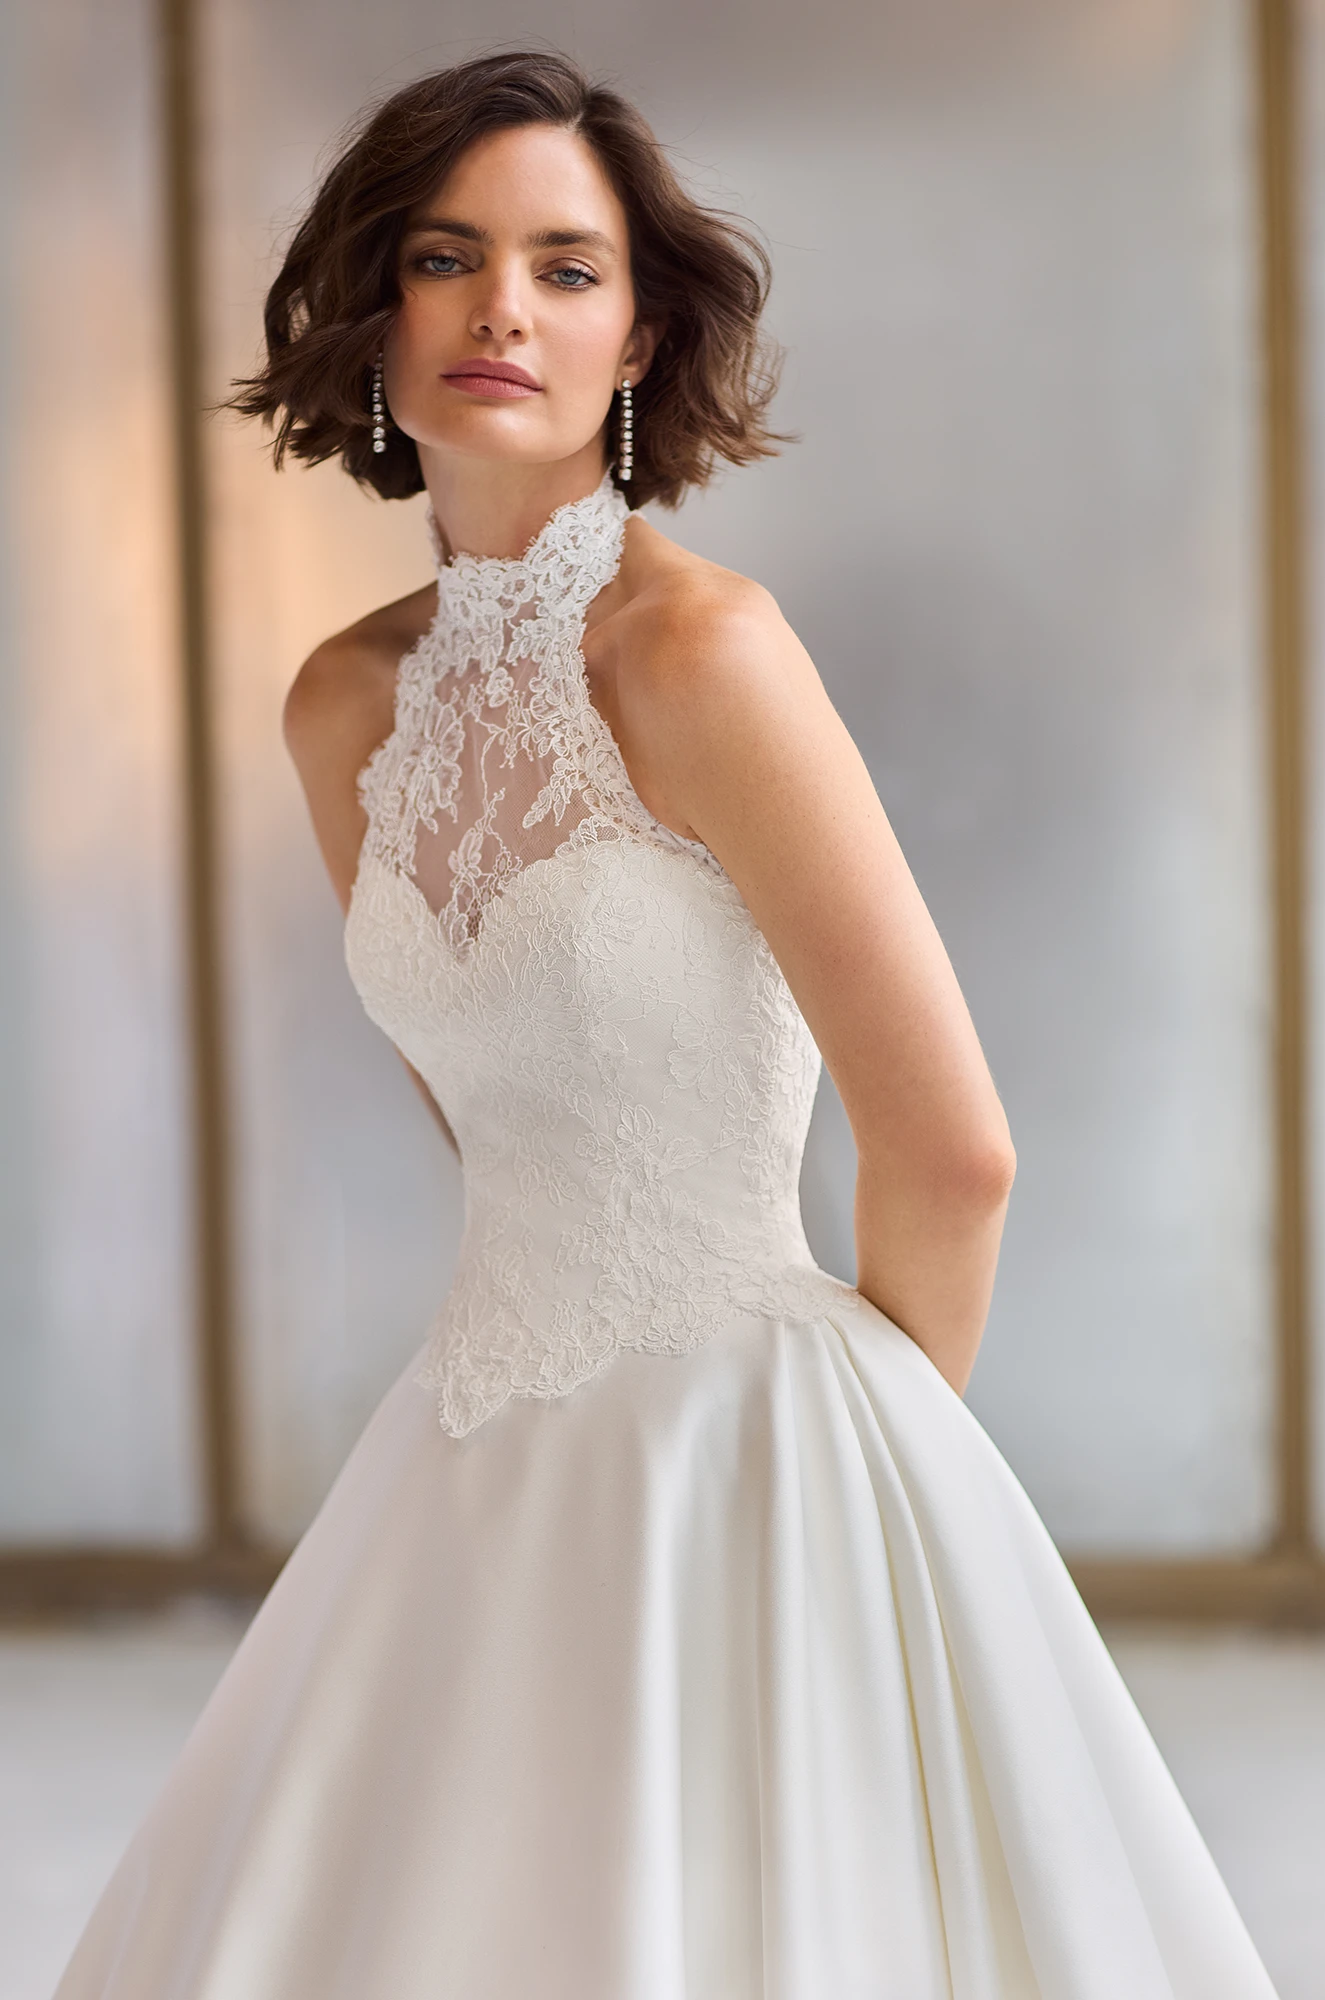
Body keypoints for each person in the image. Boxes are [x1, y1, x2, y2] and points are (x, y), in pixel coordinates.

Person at [54, 48, 1278, 2000]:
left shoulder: (701, 654)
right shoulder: (338, 705)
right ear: (375, 306)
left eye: (562, 264)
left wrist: (868, 1503)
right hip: (471, 1451)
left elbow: (950, 1149)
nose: (499, 308)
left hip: (750, 1449)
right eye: (445, 257)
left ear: (636, 335)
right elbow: (490, 1115)